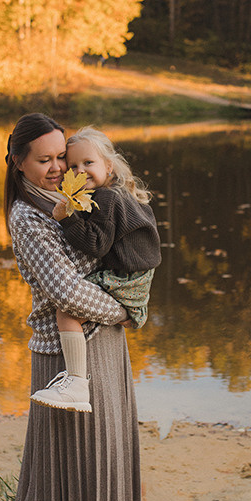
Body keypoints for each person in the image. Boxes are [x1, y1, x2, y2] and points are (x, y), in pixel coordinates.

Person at [0, 113, 141, 501]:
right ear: (18, 163)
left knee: (85, 459)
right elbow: (62, 289)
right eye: (44, 159)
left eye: (60, 158)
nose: (56, 168)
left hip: (103, 344)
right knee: (57, 462)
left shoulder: (72, 199)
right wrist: (126, 308)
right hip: (62, 353)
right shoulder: (29, 217)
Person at [30, 126, 161, 412]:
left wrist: (66, 220)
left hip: (126, 277)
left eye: (88, 163)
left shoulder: (106, 199)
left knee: (66, 309)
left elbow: (96, 245)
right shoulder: (123, 194)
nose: (81, 171)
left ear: (108, 165)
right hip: (140, 277)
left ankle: (77, 381)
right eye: (73, 166)